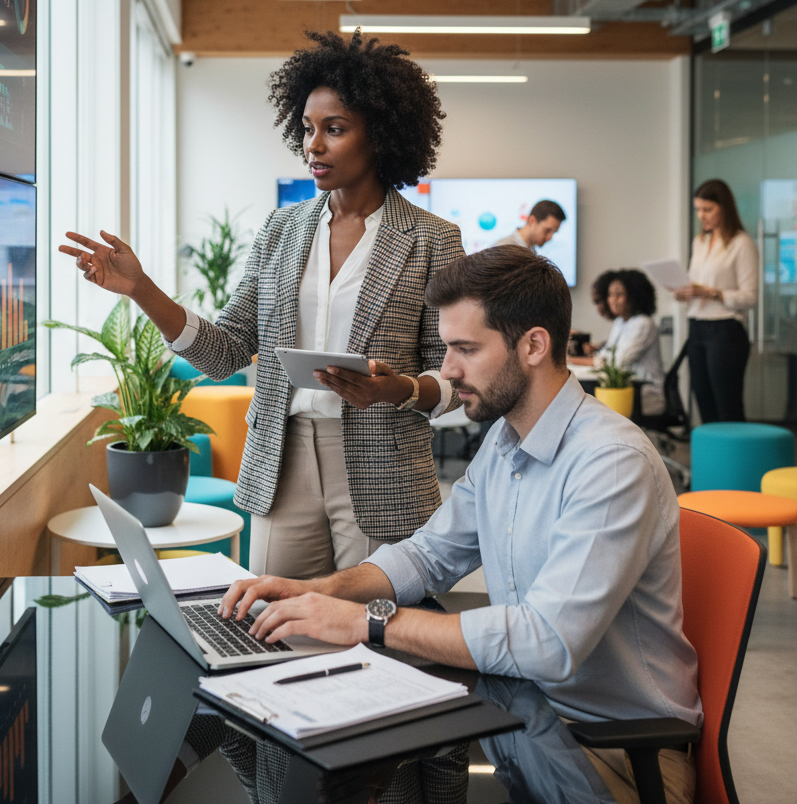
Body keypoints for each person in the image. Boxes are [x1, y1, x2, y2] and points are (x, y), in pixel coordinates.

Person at [220, 246, 701, 804]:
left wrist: (367, 621)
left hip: (614, 755)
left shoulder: (611, 463)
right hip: (525, 717)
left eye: (465, 349)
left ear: (534, 346)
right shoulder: (505, 440)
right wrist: (318, 590)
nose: (447, 370)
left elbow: (546, 643)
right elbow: (428, 555)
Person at [59, 30, 464, 579]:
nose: (313, 146)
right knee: (271, 625)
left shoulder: (431, 240)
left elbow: (456, 376)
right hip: (283, 459)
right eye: (307, 130)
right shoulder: (281, 229)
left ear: (382, 136)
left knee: (372, 636)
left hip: (382, 468)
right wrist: (141, 289)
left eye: (334, 130)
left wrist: (402, 389)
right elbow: (226, 351)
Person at [674, 179, 758, 423]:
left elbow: (749, 297)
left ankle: (736, 461)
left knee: (727, 407)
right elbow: (695, 284)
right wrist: (683, 293)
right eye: (698, 210)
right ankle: (713, 461)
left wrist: (712, 293)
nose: (702, 216)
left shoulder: (741, 244)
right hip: (697, 328)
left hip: (726, 331)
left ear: (725, 208)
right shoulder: (699, 242)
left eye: (708, 209)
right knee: (704, 403)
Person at [571, 269, 666, 415]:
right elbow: (607, 353)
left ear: (634, 296)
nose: (612, 300)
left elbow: (614, 363)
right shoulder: (621, 322)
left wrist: (574, 360)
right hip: (626, 390)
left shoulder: (643, 324)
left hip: (643, 393)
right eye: (610, 295)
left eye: (619, 295)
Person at [492, 199, 565, 252]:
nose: (550, 238)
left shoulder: (530, 250)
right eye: (547, 231)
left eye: (554, 232)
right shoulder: (504, 249)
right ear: (532, 221)